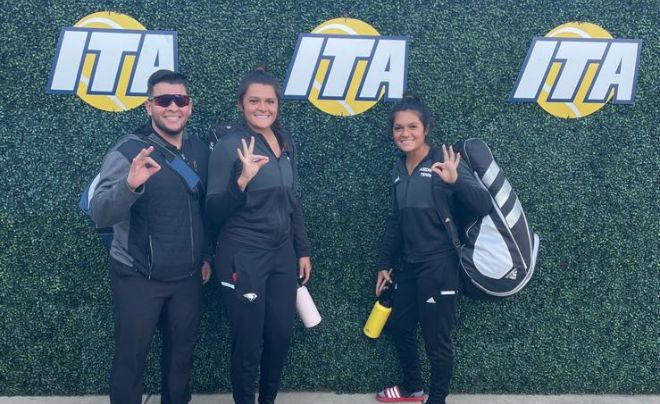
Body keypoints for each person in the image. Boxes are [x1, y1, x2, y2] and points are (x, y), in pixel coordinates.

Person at [89, 69, 212, 404]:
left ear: (190, 106)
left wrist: (206, 256)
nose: (173, 107)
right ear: (148, 106)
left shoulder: (201, 152)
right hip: (137, 276)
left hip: (187, 279)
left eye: (180, 100)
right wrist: (130, 185)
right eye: (163, 100)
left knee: (181, 362)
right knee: (130, 361)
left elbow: (208, 212)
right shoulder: (128, 151)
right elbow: (100, 212)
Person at [374, 94, 491, 404]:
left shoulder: (444, 160)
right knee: (399, 326)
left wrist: (455, 182)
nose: (405, 134)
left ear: (426, 128)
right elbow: (397, 221)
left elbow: (483, 205)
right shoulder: (399, 168)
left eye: (412, 126)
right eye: (398, 128)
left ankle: (437, 398)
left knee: (436, 340)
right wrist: (384, 264)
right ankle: (412, 388)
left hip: (440, 267)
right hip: (409, 266)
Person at [206, 67, 312, 404]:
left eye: (269, 101)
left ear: (278, 104)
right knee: (248, 343)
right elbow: (212, 210)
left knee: (280, 336)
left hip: (281, 254)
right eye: (254, 100)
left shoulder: (285, 143)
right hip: (244, 254)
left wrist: (302, 249)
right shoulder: (228, 146)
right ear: (242, 103)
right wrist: (241, 182)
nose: (262, 107)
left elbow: (291, 200)